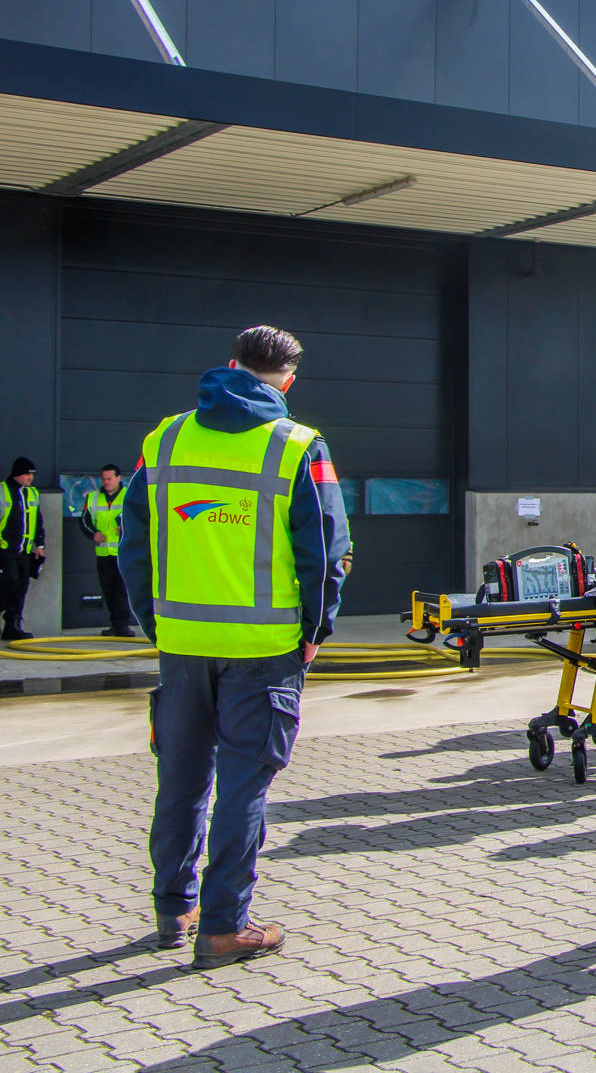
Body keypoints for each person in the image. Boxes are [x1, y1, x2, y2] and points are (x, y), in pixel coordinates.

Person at [120, 326, 351, 968]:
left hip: (182, 641)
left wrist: (156, 623)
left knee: (180, 780)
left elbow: (133, 542)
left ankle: (174, 910)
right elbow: (325, 551)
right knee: (243, 787)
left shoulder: (165, 438)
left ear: (230, 365)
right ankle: (224, 927)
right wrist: (315, 632)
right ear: (290, 379)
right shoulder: (299, 445)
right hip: (265, 649)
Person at [81, 464, 137, 638]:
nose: (106, 482)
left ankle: (123, 625)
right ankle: (115, 624)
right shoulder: (93, 498)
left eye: (109, 478)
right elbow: (84, 521)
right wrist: (93, 534)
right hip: (104, 553)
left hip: (123, 553)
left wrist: (127, 528)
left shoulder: (129, 495)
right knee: (108, 589)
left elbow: (141, 518)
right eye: (103, 479)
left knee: (121, 590)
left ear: (118, 478)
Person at [0, 457, 45, 641]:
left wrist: (40, 545)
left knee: (21, 586)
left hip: (24, 551)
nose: (30, 478)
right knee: (9, 581)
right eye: (27, 474)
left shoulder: (32, 493)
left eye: (32, 474)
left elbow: (37, 521)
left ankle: (12, 625)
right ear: (17, 474)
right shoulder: (3, 491)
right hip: (5, 549)